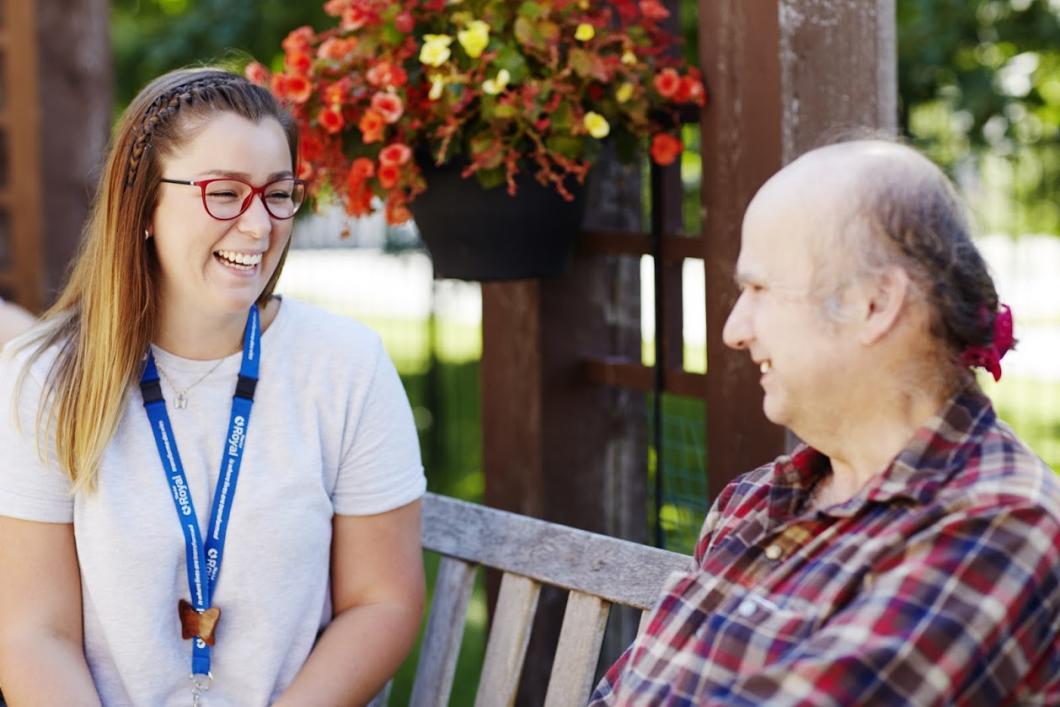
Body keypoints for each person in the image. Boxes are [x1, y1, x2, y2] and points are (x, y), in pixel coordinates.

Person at [0, 68, 426, 706]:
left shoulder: (345, 366)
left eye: (278, 194)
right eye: (224, 194)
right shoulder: (46, 376)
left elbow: (382, 602)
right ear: (142, 205)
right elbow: (35, 633)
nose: (259, 227)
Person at [589, 140, 1060, 705]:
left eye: (759, 289)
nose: (734, 331)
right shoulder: (754, 500)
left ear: (874, 303)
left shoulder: (997, 528)